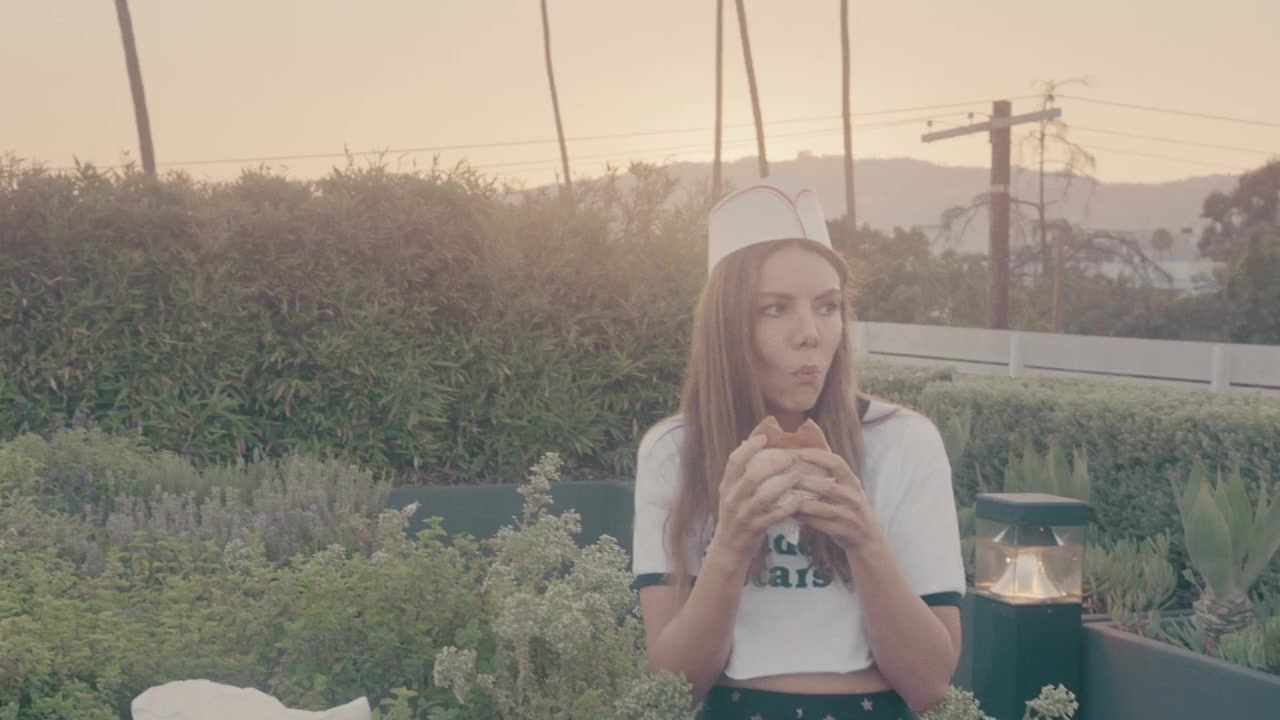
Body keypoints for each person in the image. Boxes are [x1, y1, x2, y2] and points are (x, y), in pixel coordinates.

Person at [632, 179, 964, 720]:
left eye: (828, 306)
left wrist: (863, 538)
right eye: (775, 309)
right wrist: (731, 544)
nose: (810, 333)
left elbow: (929, 683)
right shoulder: (673, 451)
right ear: (726, 327)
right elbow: (675, 685)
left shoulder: (903, 441)